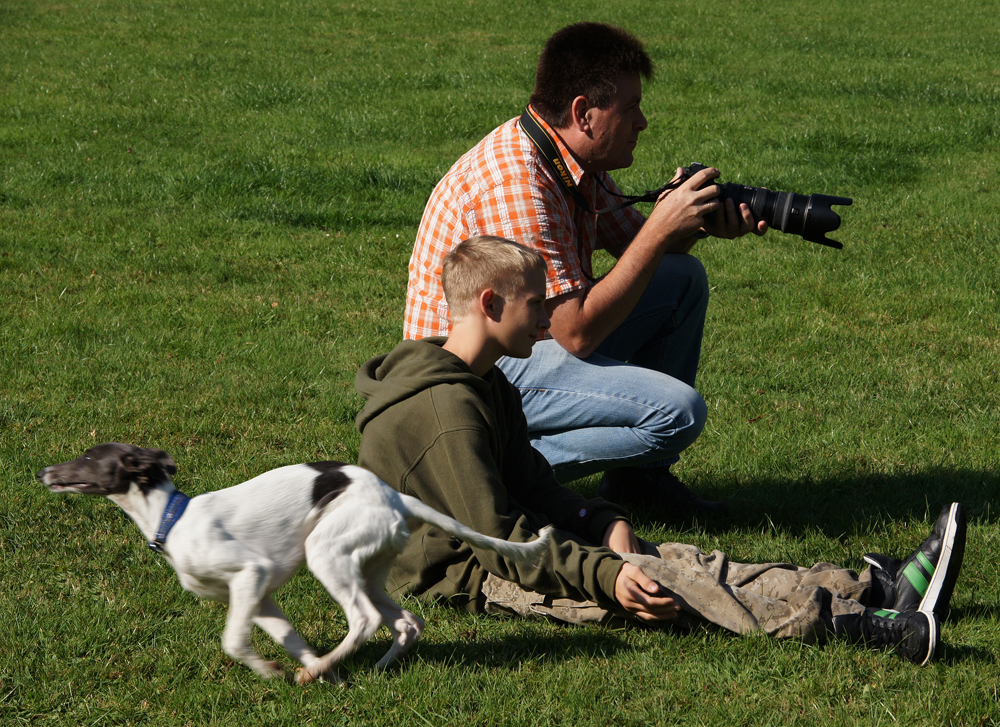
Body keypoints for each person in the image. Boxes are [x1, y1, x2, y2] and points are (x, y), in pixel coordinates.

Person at [357, 236, 967, 665]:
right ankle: (855, 625)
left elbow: (535, 486)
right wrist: (607, 575)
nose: (547, 320)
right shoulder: (446, 412)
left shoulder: (486, 383)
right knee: (667, 588)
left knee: (675, 557)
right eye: (536, 304)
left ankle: (869, 591)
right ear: (490, 304)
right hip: (477, 578)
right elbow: (500, 543)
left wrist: (600, 520)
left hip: (521, 547)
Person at [404, 22, 767, 516]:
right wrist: (661, 230)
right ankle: (494, 475)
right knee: (676, 414)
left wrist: (698, 222)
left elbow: (639, 247)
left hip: (517, 350)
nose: (643, 122)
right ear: (584, 114)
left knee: (680, 280)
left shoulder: (567, 159)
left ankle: (640, 484)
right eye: (631, 107)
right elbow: (574, 332)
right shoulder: (517, 183)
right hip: (467, 380)